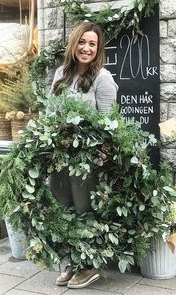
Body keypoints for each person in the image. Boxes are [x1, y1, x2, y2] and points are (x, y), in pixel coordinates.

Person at [49, 21, 118, 289]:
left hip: (86, 161)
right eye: (82, 42)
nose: (86, 48)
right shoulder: (60, 74)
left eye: (92, 44)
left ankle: (88, 265)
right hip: (59, 157)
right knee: (62, 207)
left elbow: (109, 124)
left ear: (98, 49)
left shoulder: (103, 78)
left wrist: (100, 155)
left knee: (83, 209)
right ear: (74, 43)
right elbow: (50, 115)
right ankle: (70, 260)